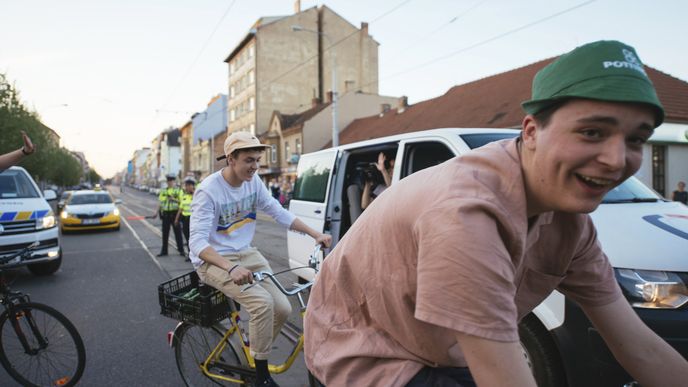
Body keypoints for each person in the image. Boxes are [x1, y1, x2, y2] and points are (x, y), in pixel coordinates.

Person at [304, 40, 688, 386]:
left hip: (440, 348)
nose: (617, 160)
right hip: (367, 355)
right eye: (591, 132)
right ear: (532, 131)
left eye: (636, 139)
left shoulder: (572, 226)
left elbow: (641, 347)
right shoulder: (466, 213)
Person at [189, 131, 332, 387]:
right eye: (248, 160)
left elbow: (278, 212)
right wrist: (230, 267)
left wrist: (315, 234)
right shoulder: (208, 191)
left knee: (283, 307)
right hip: (214, 260)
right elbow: (197, 243)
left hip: (246, 253)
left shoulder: (253, 182)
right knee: (262, 304)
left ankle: (254, 354)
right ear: (231, 159)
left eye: (257, 159)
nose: (255, 166)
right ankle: (261, 377)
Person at [154, 174, 185, 257]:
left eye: (171, 181)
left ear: (174, 181)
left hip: (175, 214)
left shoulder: (178, 190)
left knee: (178, 233)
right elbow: (160, 202)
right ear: (167, 182)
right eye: (168, 181)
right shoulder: (163, 191)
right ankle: (164, 251)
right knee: (165, 234)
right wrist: (156, 213)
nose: (170, 182)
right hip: (166, 215)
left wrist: (173, 199)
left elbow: (182, 203)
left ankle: (181, 250)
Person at [175, 176, 196, 261]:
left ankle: (196, 255)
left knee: (194, 238)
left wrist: (194, 192)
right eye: (186, 185)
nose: (187, 187)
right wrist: (176, 219)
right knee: (187, 238)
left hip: (193, 220)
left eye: (188, 185)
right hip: (185, 220)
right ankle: (190, 255)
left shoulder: (196, 195)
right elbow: (181, 208)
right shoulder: (184, 196)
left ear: (192, 186)